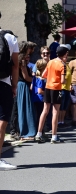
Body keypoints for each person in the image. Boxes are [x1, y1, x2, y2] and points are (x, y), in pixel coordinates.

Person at [35, 44, 69, 143]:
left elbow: (44, 75)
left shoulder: (50, 62)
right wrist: (65, 80)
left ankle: (39, 133)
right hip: (57, 89)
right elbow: (63, 81)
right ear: (64, 54)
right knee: (55, 112)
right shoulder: (62, 65)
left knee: (45, 110)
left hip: (48, 87)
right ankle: (54, 136)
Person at [0, 28, 19, 170]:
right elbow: (15, 65)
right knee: (2, 120)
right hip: (3, 83)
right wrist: (14, 86)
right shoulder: (10, 38)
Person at [31, 59, 47, 134]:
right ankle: (40, 131)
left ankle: (38, 131)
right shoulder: (41, 79)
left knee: (37, 115)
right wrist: (47, 93)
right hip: (40, 99)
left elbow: (31, 87)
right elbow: (40, 91)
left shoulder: (35, 78)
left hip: (34, 98)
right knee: (41, 115)